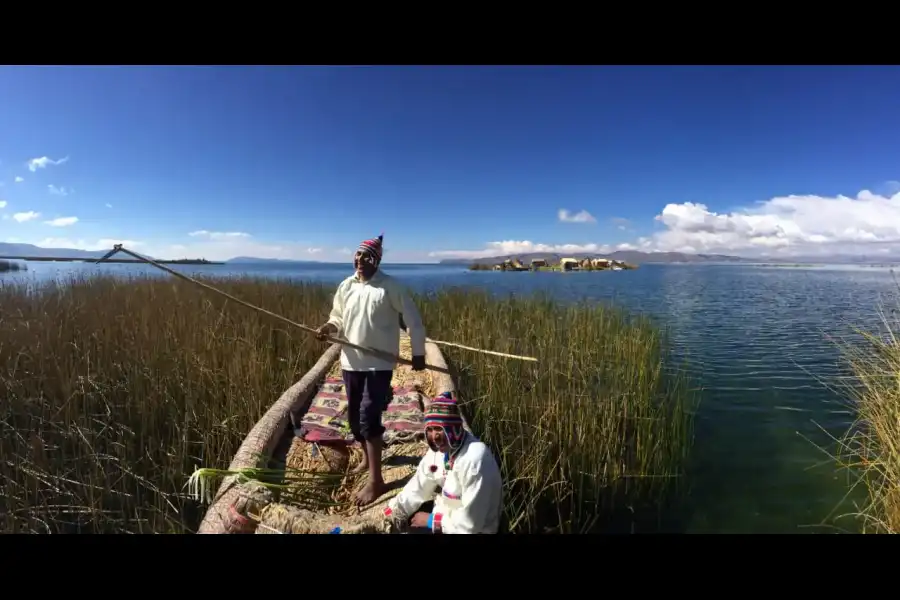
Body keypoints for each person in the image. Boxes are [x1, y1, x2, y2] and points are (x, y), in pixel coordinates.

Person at [315, 234, 427, 506]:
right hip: (350, 361)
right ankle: (366, 457)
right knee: (353, 419)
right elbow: (337, 317)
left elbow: (412, 319)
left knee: (368, 415)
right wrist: (329, 328)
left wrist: (418, 353)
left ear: (376, 261)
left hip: (379, 364)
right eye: (358, 255)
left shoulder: (390, 287)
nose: (361, 260)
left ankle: (377, 481)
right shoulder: (346, 285)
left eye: (367, 257)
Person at [383, 392, 503, 534]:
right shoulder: (440, 452)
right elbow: (419, 485)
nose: (434, 437)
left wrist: (431, 521)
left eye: (440, 428)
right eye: (430, 430)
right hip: (450, 512)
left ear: (454, 428)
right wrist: (394, 510)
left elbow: (470, 525)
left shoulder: (475, 460)